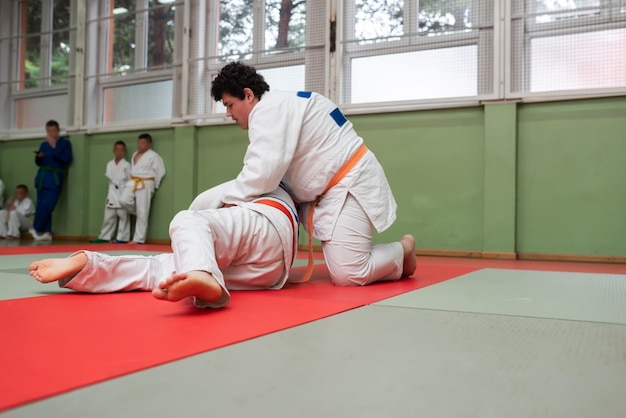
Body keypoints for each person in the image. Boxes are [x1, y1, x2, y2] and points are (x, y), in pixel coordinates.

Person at [203, 62, 416, 287]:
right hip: (326, 190)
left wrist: (230, 204)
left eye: (229, 105)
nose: (228, 113)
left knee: (350, 274)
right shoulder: (279, 104)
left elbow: (262, 172)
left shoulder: (268, 110)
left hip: (350, 182)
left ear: (248, 95)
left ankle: (403, 250)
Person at [29, 182, 298, 309]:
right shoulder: (293, 191)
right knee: (165, 271)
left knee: (185, 219)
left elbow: (200, 209)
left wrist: (185, 234)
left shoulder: (263, 179)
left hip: (264, 224)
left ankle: (201, 275)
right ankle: (86, 265)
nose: (229, 113)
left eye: (229, 106)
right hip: (273, 271)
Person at [30, 120, 73, 241]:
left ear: (58, 131)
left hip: (55, 178)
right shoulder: (44, 144)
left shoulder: (65, 144)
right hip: (42, 177)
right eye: (49, 131)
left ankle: (34, 227)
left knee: (48, 205)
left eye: (53, 131)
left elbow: (66, 160)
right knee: (41, 205)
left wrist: (54, 147)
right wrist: (39, 157)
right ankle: (47, 232)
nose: (51, 133)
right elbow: (38, 163)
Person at [119, 133, 166, 244]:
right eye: (139, 142)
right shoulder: (135, 154)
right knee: (123, 201)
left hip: (146, 183)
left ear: (149, 144)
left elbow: (160, 171)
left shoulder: (153, 156)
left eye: (143, 143)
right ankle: (140, 213)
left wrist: (154, 185)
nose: (140, 145)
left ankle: (138, 239)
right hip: (133, 181)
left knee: (143, 211)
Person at [91, 141, 131, 243]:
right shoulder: (110, 164)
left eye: (121, 150)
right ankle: (105, 236)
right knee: (109, 217)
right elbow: (109, 177)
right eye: (117, 149)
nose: (119, 152)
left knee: (123, 217)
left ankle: (122, 238)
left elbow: (129, 179)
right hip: (112, 193)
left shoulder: (126, 165)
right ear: (113, 151)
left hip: (123, 192)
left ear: (125, 152)